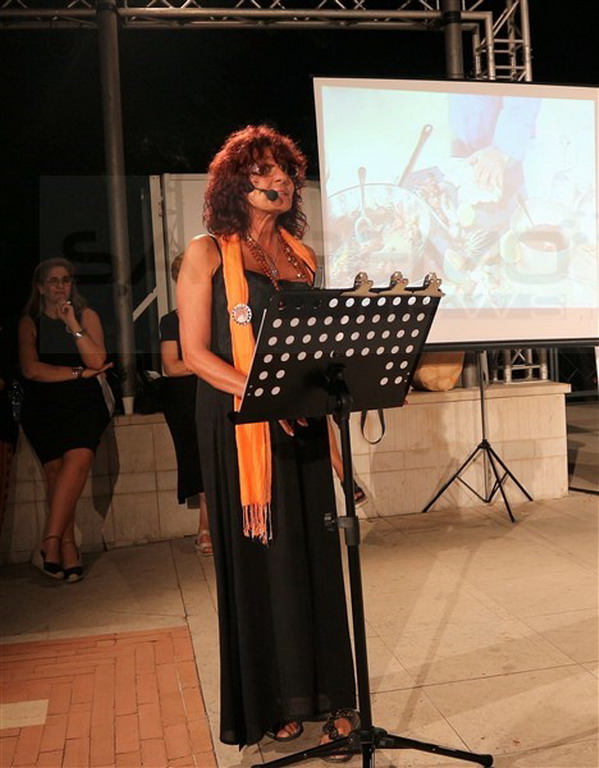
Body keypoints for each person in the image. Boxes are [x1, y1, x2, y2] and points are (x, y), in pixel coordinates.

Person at [177, 125, 358, 752]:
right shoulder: (205, 252)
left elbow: (312, 347)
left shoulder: (301, 256)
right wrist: (265, 396)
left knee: (313, 558)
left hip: (299, 420)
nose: (278, 179)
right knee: (264, 565)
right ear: (235, 182)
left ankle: (331, 696)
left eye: (285, 171)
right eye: (262, 170)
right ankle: (271, 702)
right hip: (236, 424)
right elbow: (195, 354)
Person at [18, 258, 112, 582]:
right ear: (41, 287)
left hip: (83, 403)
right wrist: (77, 373)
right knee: (55, 473)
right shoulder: (29, 322)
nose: (60, 287)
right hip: (44, 405)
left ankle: (51, 540)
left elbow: (97, 361)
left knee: (80, 458)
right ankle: (68, 546)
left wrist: (72, 323)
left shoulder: (86, 316)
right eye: (53, 281)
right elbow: (32, 369)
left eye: (66, 280)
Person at [160, 254, 212, 556]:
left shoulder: (221, 314)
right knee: (197, 455)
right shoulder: (172, 321)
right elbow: (171, 366)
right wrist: (207, 363)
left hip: (217, 390)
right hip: (186, 396)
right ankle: (206, 524)